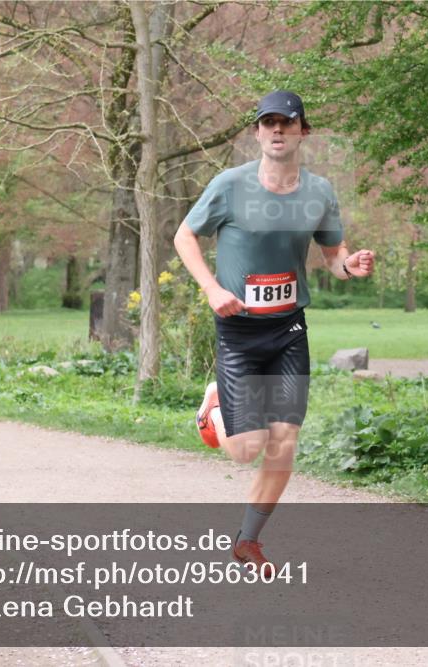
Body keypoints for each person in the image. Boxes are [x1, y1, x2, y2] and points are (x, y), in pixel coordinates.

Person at [173, 90, 374, 568]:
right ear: (257, 132)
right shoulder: (230, 185)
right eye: (268, 123)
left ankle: (247, 540)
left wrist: (352, 266)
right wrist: (210, 288)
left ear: (304, 130)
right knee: (246, 451)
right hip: (238, 329)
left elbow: (332, 258)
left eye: (287, 122)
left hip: (288, 331)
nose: (277, 130)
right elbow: (184, 235)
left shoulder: (319, 192)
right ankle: (216, 401)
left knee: (284, 443)